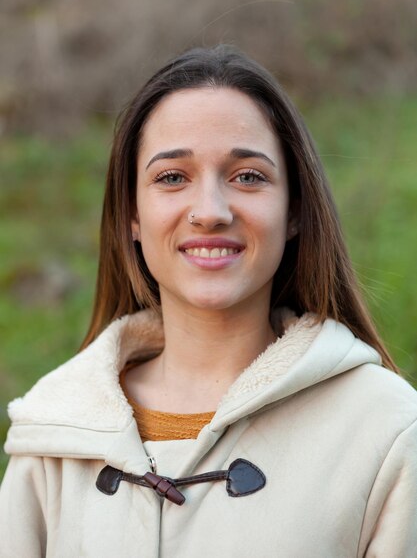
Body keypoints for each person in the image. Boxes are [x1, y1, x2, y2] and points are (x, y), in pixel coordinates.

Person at [1, 45, 416, 558]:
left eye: (248, 177)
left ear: (294, 212)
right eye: (172, 177)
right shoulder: (52, 436)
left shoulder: (388, 432)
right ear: (132, 214)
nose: (210, 211)